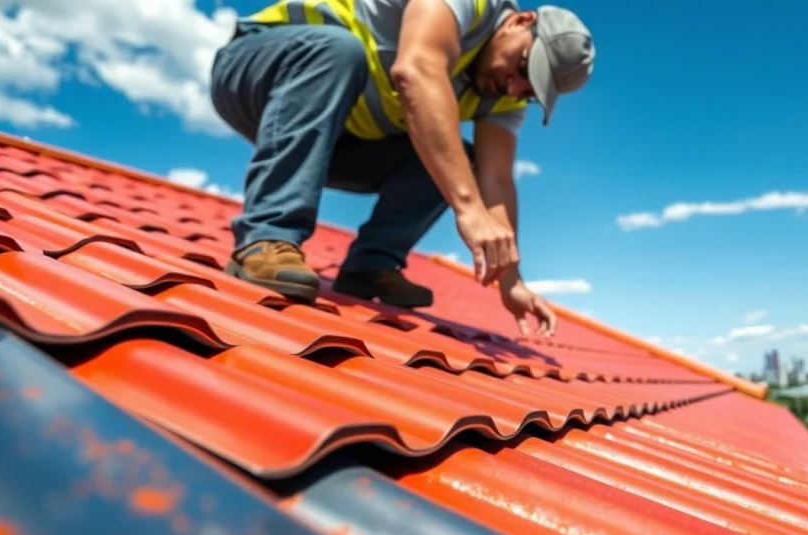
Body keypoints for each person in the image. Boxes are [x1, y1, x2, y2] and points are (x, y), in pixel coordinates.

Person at [209, 0, 595, 337]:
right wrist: (468, 208)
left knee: (462, 158)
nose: (514, 88)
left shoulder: (501, 96)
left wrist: (511, 280)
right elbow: (416, 71)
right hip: (257, 72)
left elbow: (495, 180)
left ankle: (369, 268)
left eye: (530, 92)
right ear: (519, 21)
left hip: (332, 138)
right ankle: (265, 238)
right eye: (523, 67)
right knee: (341, 50)